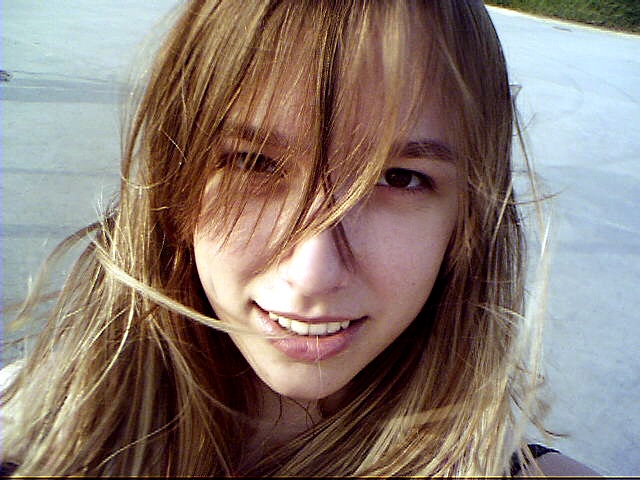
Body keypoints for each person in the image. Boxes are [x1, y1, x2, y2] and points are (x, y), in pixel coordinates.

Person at [0, 0, 599, 476]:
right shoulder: (28, 431)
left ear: (470, 217)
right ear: (172, 181)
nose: (313, 274)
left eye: (398, 177)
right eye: (254, 162)